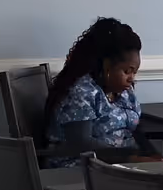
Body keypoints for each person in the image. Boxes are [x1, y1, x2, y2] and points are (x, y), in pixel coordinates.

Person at [44, 17, 146, 166]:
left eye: (134, 72)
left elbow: (136, 131)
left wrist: (153, 155)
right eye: (127, 71)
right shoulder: (81, 93)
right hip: (79, 168)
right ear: (106, 65)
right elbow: (82, 144)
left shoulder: (124, 93)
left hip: (118, 166)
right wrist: (130, 157)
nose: (131, 78)